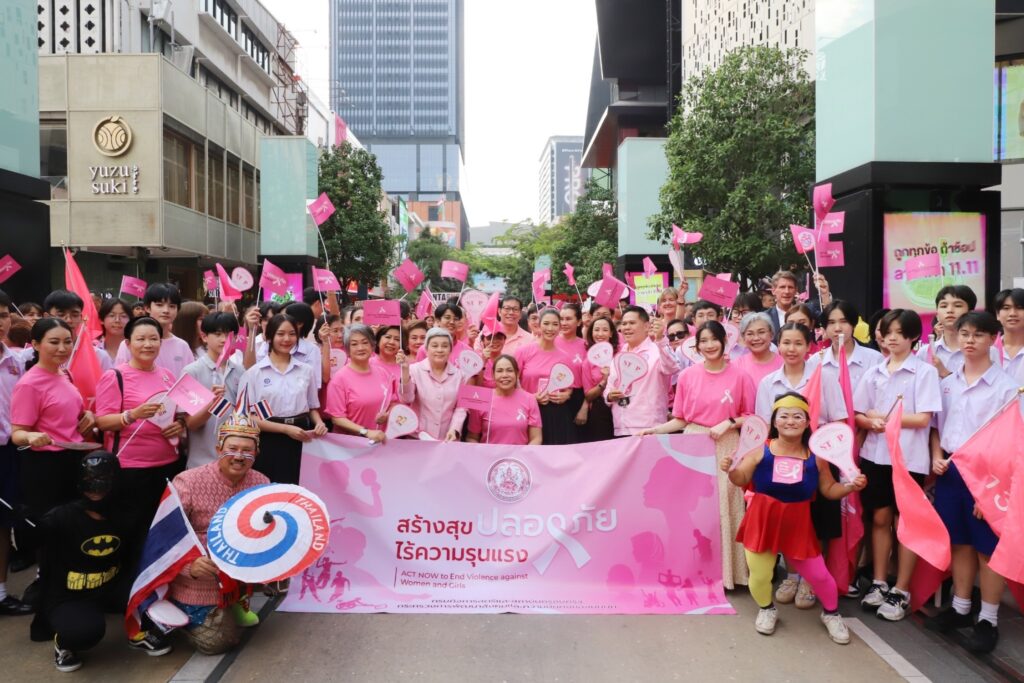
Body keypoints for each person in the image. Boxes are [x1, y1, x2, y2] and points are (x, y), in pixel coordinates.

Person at [722, 392, 866, 644]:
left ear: (807, 422)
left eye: (797, 416)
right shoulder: (759, 451)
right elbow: (741, 479)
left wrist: (851, 487)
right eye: (784, 416)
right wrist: (731, 470)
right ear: (774, 422)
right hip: (762, 519)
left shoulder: (816, 457)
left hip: (798, 523)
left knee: (819, 575)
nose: (790, 421)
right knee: (759, 574)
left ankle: (831, 614)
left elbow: (829, 490)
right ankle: (767, 609)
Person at [927, 311, 1020, 653]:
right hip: (951, 472)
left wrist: (991, 492)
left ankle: (989, 619)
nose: (969, 341)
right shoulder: (948, 383)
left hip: (989, 477)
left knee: (987, 548)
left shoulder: (1007, 388)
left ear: (993, 339)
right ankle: (961, 608)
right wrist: (937, 454)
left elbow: (1010, 441)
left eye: (978, 335)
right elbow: (938, 427)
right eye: (964, 334)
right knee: (959, 542)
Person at [30, 452, 171, 671]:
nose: (95, 492)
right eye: (89, 484)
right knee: (84, 633)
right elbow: (34, 539)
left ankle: (137, 632)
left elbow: (142, 552)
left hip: (112, 585)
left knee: (159, 597)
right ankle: (64, 643)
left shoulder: (126, 513)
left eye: (102, 484)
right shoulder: (62, 517)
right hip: (71, 595)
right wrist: (26, 525)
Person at [640, 320, 756, 588]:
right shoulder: (689, 376)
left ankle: (730, 574)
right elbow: (680, 418)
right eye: (703, 341)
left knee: (726, 509)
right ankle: (695, 571)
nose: (709, 345)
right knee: (696, 510)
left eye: (714, 339)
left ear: (724, 341)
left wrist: (728, 422)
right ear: (697, 345)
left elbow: (751, 416)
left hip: (727, 445)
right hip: (692, 447)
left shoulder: (740, 376)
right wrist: (655, 430)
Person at [853, 309, 941, 621]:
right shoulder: (875, 372)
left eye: (899, 333)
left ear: (913, 337)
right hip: (876, 456)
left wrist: (886, 419)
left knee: (907, 524)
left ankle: (901, 589)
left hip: (909, 459)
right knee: (879, 517)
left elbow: (923, 418)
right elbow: (860, 413)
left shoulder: (924, 373)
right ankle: (879, 581)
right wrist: (871, 420)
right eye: (887, 332)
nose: (891, 338)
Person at [169, 410, 269, 655]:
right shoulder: (187, 482)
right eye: (232, 448)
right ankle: (175, 613)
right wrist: (189, 566)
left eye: (247, 450)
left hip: (238, 577)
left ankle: (235, 603)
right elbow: (166, 537)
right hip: (199, 577)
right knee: (217, 643)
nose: (239, 456)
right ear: (217, 448)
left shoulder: (262, 483)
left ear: (256, 453)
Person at [95, 316, 184, 541]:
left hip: (167, 465)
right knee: (131, 531)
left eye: (153, 339)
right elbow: (102, 421)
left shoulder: (168, 375)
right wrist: (132, 415)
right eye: (141, 339)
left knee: (161, 530)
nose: (148, 344)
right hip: (130, 469)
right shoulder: (115, 376)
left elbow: (177, 415)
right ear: (128, 343)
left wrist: (179, 425)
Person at [11, 319, 93, 524]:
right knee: (50, 526)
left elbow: (74, 413)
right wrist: (31, 436)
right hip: (45, 467)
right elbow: (17, 433)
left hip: (73, 458)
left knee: (73, 524)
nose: (62, 348)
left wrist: (89, 416)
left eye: (68, 341)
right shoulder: (29, 384)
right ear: (36, 344)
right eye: (54, 342)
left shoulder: (65, 373)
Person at [238, 314, 328, 484]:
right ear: (269, 336)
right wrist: (285, 429)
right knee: (268, 488)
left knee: (298, 486)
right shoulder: (254, 373)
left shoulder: (306, 370)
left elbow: (312, 407)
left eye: (292, 334)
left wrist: (319, 423)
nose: (287, 339)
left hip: (301, 437)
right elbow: (246, 417)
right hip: (267, 439)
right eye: (280, 334)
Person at [0, 289, 31, 615]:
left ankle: (1, 593)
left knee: (4, 525)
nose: (0, 323)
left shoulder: (16, 361)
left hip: (10, 451)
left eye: (3, 315)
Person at [604, 306, 679, 437]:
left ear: (646, 326)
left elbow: (672, 367)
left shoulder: (657, 351)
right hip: (621, 426)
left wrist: (661, 339)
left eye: (632, 323)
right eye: (624, 323)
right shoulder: (619, 354)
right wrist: (609, 396)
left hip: (649, 427)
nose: (626, 327)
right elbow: (610, 386)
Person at [183, 312, 243, 469]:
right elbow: (191, 424)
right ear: (204, 337)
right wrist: (211, 404)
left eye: (230, 335)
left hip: (235, 462)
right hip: (202, 463)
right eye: (217, 334)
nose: (224, 339)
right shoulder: (191, 372)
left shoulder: (240, 371)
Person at [326, 324, 399, 444]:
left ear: (372, 345)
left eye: (365, 342)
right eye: (354, 344)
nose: (360, 348)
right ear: (347, 349)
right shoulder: (339, 379)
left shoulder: (382, 373)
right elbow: (337, 418)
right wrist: (366, 432)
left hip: (380, 442)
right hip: (351, 445)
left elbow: (392, 402)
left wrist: (388, 414)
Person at [516, 308, 576, 444]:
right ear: (539, 325)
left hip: (555, 414)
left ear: (560, 327)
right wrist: (531, 398)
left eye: (555, 324)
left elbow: (569, 387)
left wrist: (566, 395)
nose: (550, 328)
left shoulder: (565, 358)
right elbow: (513, 383)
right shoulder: (523, 352)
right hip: (527, 411)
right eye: (546, 323)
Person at [399, 328, 468, 441]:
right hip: (417, 437)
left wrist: (455, 429)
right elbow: (406, 399)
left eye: (445, 346)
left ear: (450, 350)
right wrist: (405, 372)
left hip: (447, 438)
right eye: (434, 346)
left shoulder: (460, 375)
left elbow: (461, 408)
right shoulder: (414, 370)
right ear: (426, 349)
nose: (440, 350)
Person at [114, 284, 193, 376]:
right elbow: (119, 377)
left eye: (172, 306)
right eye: (159, 305)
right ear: (147, 308)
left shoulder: (182, 346)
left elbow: (189, 380)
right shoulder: (129, 345)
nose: (166, 310)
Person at [465, 355, 542, 445]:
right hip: (489, 457)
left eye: (509, 370)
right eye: (499, 371)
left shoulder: (529, 399)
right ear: (493, 375)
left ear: (517, 374)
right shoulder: (482, 399)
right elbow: (472, 438)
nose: (504, 375)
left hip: (518, 458)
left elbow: (536, 438)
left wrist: (523, 456)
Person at [916, 285, 987, 379]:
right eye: (944, 306)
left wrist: (945, 373)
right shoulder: (925, 352)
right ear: (937, 314)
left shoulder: (985, 350)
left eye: (957, 305)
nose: (949, 310)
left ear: (970, 312)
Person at [818, 300, 884, 393]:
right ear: (825, 327)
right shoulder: (816, 361)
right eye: (831, 323)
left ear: (853, 324)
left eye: (843, 321)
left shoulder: (874, 359)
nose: (837, 328)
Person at [43, 289, 113, 373]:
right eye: (61, 315)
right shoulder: (29, 356)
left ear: (81, 317)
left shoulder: (99, 356)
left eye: (75, 315)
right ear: (47, 317)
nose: (68, 320)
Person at [581, 315, 618, 442]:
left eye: (605, 330)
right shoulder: (588, 361)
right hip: (599, 412)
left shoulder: (621, 354)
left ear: (611, 333)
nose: (600, 334)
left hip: (621, 408)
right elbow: (588, 396)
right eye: (596, 330)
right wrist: (604, 380)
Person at [555, 304, 588, 429]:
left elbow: (589, 382)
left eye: (568, 319)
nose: (563, 323)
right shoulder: (550, 342)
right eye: (561, 319)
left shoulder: (586, 346)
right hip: (555, 395)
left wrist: (585, 407)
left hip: (578, 398)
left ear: (579, 322)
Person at [733, 312, 782, 386]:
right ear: (743, 337)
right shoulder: (736, 365)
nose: (756, 338)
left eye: (761, 332)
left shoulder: (784, 364)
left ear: (771, 334)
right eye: (750, 334)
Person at [994, 288, 1024, 382]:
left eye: (1019, 308)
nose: (1012, 313)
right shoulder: (987, 349)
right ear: (998, 315)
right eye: (1006, 308)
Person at [97, 298, 131, 368]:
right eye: (112, 315)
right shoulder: (93, 350)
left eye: (123, 316)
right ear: (101, 320)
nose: (117, 320)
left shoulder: (137, 351)